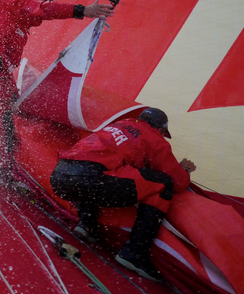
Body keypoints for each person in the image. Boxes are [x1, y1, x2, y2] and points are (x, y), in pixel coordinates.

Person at [0, 0, 114, 164]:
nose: (43, 4)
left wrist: (13, 94)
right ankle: (4, 163)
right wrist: (83, 11)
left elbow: (1, 65)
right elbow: (45, 9)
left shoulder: (12, 20)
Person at [50, 107, 196, 283]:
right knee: (164, 183)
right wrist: (185, 169)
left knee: (93, 171)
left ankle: (87, 224)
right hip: (90, 178)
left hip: (59, 177)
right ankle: (134, 252)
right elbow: (178, 181)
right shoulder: (155, 138)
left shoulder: (119, 124)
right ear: (160, 130)